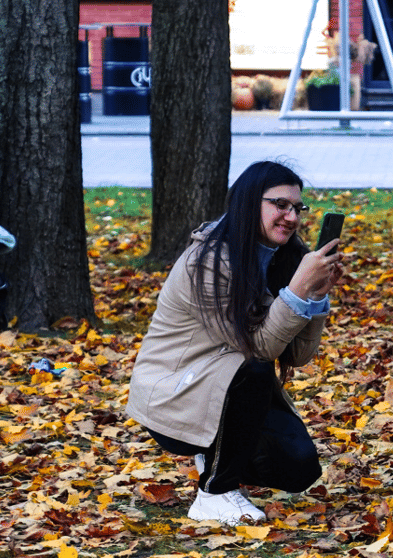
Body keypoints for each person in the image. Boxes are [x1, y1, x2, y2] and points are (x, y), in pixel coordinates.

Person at [126, 160, 345, 525]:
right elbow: (258, 349)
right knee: (253, 368)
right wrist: (296, 291)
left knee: (299, 470)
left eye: (297, 208)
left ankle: (214, 452)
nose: (291, 217)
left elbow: (299, 355)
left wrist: (316, 295)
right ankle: (214, 493)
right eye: (280, 204)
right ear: (247, 203)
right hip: (173, 392)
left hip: (227, 386)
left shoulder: (288, 255)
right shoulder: (209, 261)